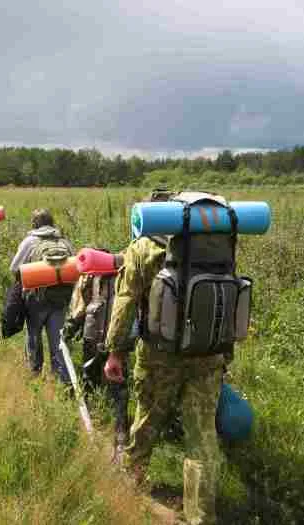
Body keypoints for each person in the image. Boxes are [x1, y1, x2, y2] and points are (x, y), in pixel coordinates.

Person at [103, 189, 231, 525]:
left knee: (146, 422)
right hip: (208, 355)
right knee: (202, 438)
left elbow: (125, 302)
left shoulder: (143, 248)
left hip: (160, 356)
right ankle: (201, 517)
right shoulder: (215, 242)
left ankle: (128, 489)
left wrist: (115, 352)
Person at [62, 253, 129, 461]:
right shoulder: (124, 272)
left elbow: (81, 307)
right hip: (118, 341)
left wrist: (71, 326)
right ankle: (120, 436)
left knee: (90, 383)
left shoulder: (90, 276)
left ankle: (94, 424)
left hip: (93, 339)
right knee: (117, 390)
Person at [10, 209, 75, 385]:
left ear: (34, 224)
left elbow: (14, 268)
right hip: (60, 300)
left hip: (36, 299)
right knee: (58, 342)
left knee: (33, 337)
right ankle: (64, 382)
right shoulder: (64, 241)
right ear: (52, 223)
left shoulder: (30, 241)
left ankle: (33, 376)